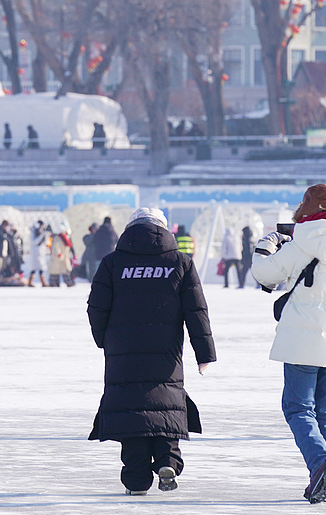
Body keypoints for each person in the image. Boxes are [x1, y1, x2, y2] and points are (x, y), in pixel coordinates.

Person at [251, 184, 326, 504]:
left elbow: (265, 275)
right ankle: (324, 473)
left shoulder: (300, 242)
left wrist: (265, 246)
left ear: (305, 212)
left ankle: (321, 463)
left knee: (297, 407)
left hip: (302, 341)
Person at [87, 207, 216, 496]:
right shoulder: (181, 262)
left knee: (132, 409)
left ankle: (136, 480)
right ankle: (168, 460)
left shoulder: (112, 263)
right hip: (166, 351)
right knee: (166, 402)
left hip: (124, 352)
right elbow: (197, 311)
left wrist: (104, 340)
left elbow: (96, 307)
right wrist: (204, 352)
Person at [49, 222, 76, 287]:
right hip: (57, 258)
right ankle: (54, 283)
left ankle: (69, 282)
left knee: (66, 270)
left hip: (65, 257)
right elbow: (56, 246)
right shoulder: (57, 238)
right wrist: (59, 253)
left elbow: (69, 246)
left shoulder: (66, 237)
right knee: (55, 272)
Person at [26, 220, 49, 286]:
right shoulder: (33, 233)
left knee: (41, 268)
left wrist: (46, 235)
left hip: (41, 252)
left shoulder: (41, 232)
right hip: (35, 253)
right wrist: (42, 235)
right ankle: (30, 282)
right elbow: (34, 242)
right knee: (34, 268)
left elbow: (45, 243)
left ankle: (43, 282)